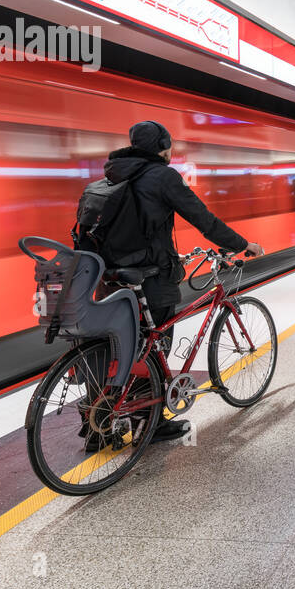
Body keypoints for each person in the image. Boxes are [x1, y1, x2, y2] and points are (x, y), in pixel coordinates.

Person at [102, 120, 263, 443]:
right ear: (163, 147)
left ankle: (100, 426)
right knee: (154, 347)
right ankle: (151, 424)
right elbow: (202, 218)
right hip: (151, 276)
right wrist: (242, 244)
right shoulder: (163, 176)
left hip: (112, 275)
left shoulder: (115, 172)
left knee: (120, 347)